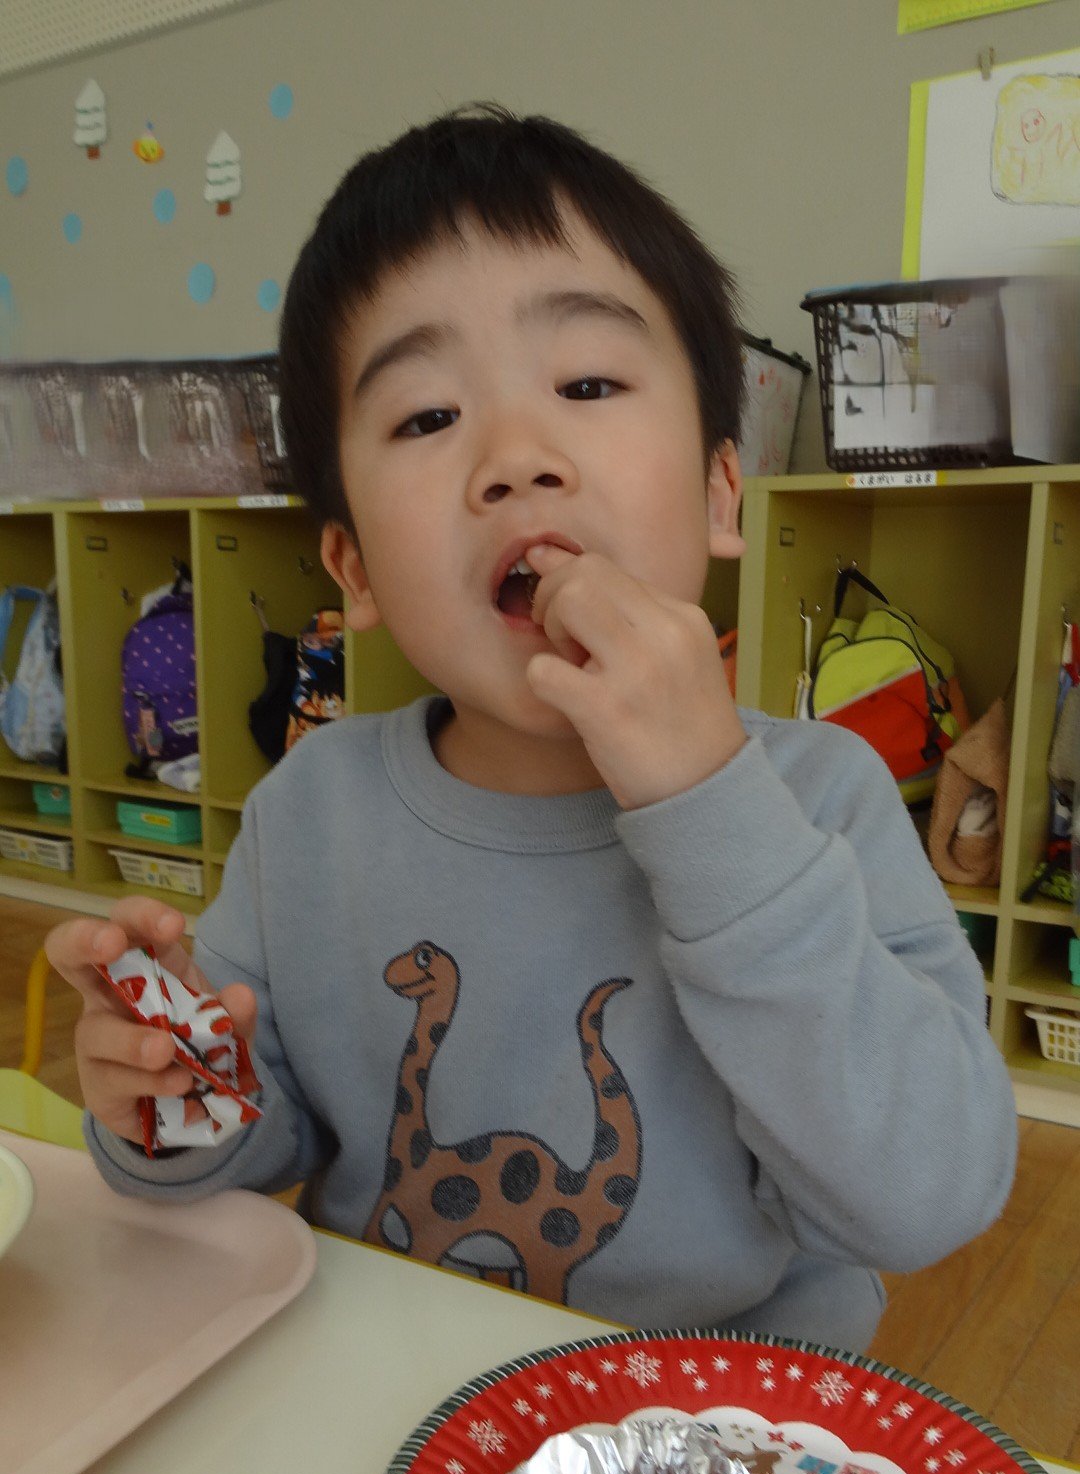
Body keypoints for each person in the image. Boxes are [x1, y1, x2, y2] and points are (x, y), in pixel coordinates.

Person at [46, 103, 1016, 1349]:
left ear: (722, 492)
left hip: (721, 1415)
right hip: (396, 1401)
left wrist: (710, 803)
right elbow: (257, 1137)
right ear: (354, 568)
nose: (515, 458)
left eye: (589, 383)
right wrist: (172, 1089)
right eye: (427, 417)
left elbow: (926, 1196)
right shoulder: (310, 814)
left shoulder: (819, 798)